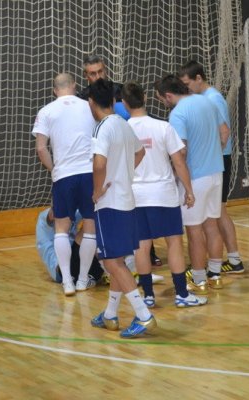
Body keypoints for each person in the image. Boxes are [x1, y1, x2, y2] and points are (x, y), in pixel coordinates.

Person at [122, 81, 207, 308]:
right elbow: (178, 162)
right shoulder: (163, 127)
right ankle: (182, 295)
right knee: (174, 242)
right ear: (145, 98)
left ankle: (148, 296)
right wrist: (189, 190)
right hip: (163, 194)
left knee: (141, 246)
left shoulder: (122, 129)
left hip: (136, 196)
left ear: (124, 103)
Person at [87, 79, 156, 338]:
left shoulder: (102, 128)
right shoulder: (124, 125)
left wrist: (97, 191)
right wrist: (124, 174)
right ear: (114, 101)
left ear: (91, 103)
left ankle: (144, 316)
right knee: (117, 261)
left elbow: (99, 164)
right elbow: (140, 153)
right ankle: (110, 314)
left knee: (112, 262)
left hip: (110, 203)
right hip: (127, 202)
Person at [154, 75, 225, 294]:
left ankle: (199, 279)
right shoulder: (207, 101)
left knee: (194, 232)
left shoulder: (177, 114)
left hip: (195, 178)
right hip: (216, 172)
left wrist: (177, 177)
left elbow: (181, 151)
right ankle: (215, 276)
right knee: (212, 226)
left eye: (161, 100)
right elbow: (224, 132)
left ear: (168, 95)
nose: (163, 104)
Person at [34, 73, 98, 296]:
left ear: (55, 90)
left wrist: (54, 170)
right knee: (90, 227)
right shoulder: (89, 106)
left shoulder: (46, 111)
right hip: (89, 173)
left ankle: (68, 282)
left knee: (61, 228)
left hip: (64, 175)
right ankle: (82, 280)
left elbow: (41, 148)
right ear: (74, 86)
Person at [178, 60, 244, 274]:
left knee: (217, 213)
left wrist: (209, 152)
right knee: (214, 215)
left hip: (217, 161)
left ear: (199, 78)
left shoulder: (212, 99)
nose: (186, 89)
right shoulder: (203, 98)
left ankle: (233, 260)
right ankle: (222, 261)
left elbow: (224, 132)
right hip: (214, 161)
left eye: (187, 84)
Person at [36, 207, 104, 285]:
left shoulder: (71, 209)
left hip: (89, 268)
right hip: (63, 271)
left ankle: (108, 267)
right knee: (90, 225)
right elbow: (51, 215)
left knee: (99, 218)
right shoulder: (45, 218)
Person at [76, 54, 130, 120]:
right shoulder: (82, 98)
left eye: (100, 72)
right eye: (93, 74)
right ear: (86, 75)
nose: (98, 77)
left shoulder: (121, 90)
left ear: (105, 70)